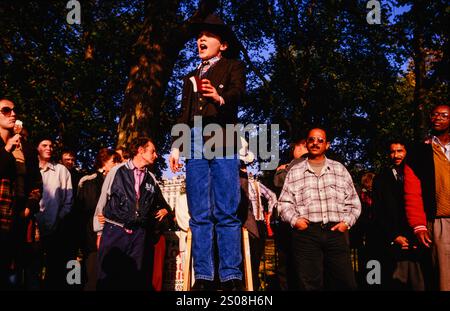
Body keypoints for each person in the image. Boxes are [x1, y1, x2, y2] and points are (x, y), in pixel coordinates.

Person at [169, 14, 245, 291]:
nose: (201, 39)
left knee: (226, 210)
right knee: (200, 213)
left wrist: (219, 97)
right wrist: (177, 145)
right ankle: (203, 275)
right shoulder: (189, 77)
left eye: (208, 36)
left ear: (222, 45)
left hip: (223, 137)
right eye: (199, 35)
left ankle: (230, 276)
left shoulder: (233, 66)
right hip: (195, 142)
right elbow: (183, 113)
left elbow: (238, 93)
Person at [278, 127, 361, 290]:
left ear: (327, 145)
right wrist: (295, 221)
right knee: (309, 284)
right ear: (307, 143)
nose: (315, 143)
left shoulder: (339, 169)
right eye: (311, 140)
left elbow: (354, 202)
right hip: (306, 234)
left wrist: (346, 222)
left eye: (320, 140)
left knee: (344, 283)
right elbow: (284, 204)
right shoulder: (294, 172)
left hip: (336, 232)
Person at [93, 137, 172, 290]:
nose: (156, 155)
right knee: (107, 279)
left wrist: (165, 210)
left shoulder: (152, 179)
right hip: (114, 230)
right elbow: (102, 201)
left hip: (139, 235)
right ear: (140, 151)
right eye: (153, 151)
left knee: (132, 281)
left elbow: (160, 204)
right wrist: (98, 232)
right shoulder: (117, 171)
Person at [404, 104, 450, 291]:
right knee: (444, 280)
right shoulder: (418, 153)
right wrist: (419, 225)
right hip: (440, 222)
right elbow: (412, 192)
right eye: (434, 114)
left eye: (444, 115)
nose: (438, 118)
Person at [372, 140, 425, 290]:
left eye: (400, 151)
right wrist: (393, 236)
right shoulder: (380, 179)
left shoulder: (419, 175)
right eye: (392, 151)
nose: (396, 155)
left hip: (418, 239)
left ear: (407, 152)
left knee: (420, 284)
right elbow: (378, 211)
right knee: (396, 284)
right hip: (394, 242)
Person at [76, 148, 121, 290]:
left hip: (111, 237)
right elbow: (90, 208)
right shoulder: (89, 181)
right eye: (114, 161)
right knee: (92, 278)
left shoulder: (117, 182)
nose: (116, 164)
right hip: (92, 238)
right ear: (103, 162)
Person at [36, 137, 73, 290]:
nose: (49, 148)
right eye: (44, 145)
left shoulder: (61, 170)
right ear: (37, 148)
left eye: (51, 146)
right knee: (32, 268)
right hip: (33, 228)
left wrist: (59, 218)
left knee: (55, 269)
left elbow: (68, 200)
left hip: (55, 228)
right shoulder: (31, 168)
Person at [273, 137, 308, 290]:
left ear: (301, 147)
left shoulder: (293, 166)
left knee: (287, 264)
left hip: (291, 222)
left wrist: (281, 170)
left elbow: (278, 182)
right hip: (310, 222)